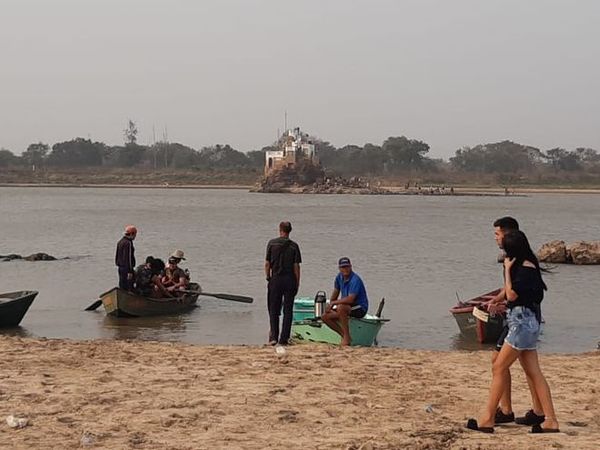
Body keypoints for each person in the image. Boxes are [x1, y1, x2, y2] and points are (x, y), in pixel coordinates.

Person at [467, 230, 559, 434]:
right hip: (525, 322)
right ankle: (550, 420)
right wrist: (498, 302)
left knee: (499, 367)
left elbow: (512, 293)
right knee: (534, 373)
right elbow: (516, 298)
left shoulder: (524, 268)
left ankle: (488, 418)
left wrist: (508, 271)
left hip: (522, 325)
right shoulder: (527, 266)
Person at [487, 217, 544, 426]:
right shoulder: (511, 258)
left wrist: (507, 299)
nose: (495, 238)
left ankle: (539, 412)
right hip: (515, 317)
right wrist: (496, 299)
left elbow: (517, 293)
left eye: (497, 234)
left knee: (524, 367)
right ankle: (507, 409)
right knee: (499, 361)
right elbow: (509, 290)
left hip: (523, 319)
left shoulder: (519, 261)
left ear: (508, 235)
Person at [265, 221, 302, 346]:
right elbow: (296, 266)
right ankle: (284, 338)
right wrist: (297, 282)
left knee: (273, 309)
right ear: (290, 231)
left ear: (280, 229)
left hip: (275, 279)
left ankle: (274, 336)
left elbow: (267, 263)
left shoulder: (272, 243)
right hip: (289, 279)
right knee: (288, 310)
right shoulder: (294, 246)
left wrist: (268, 277)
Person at [321, 257, 369, 346]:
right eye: (343, 267)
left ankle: (346, 338)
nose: (345, 269)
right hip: (345, 307)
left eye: (347, 267)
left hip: (359, 307)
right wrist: (330, 305)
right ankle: (344, 335)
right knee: (325, 316)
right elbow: (335, 293)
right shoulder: (339, 277)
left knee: (341, 307)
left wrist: (334, 303)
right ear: (339, 268)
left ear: (351, 267)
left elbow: (351, 299)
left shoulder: (355, 280)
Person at [115, 225, 137, 290]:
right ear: (132, 233)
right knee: (129, 286)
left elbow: (117, 256)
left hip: (120, 268)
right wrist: (130, 271)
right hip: (126, 269)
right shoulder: (128, 243)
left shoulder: (120, 242)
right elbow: (128, 258)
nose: (135, 237)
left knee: (122, 285)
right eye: (135, 234)